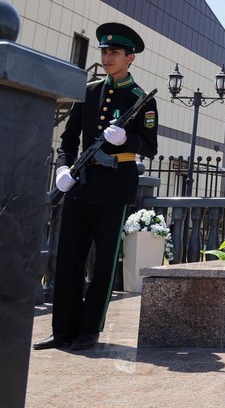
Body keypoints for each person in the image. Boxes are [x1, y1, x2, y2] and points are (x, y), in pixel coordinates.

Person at [34, 23, 158, 351]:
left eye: (114, 52)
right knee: (69, 258)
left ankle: (89, 331)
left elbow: (149, 146)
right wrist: (63, 167)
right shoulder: (87, 91)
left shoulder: (140, 99)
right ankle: (62, 330)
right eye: (104, 51)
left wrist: (127, 138)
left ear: (130, 58)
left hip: (115, 188)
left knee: (103, 263)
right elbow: (68, 140)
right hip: (81, 185)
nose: (107, 57)